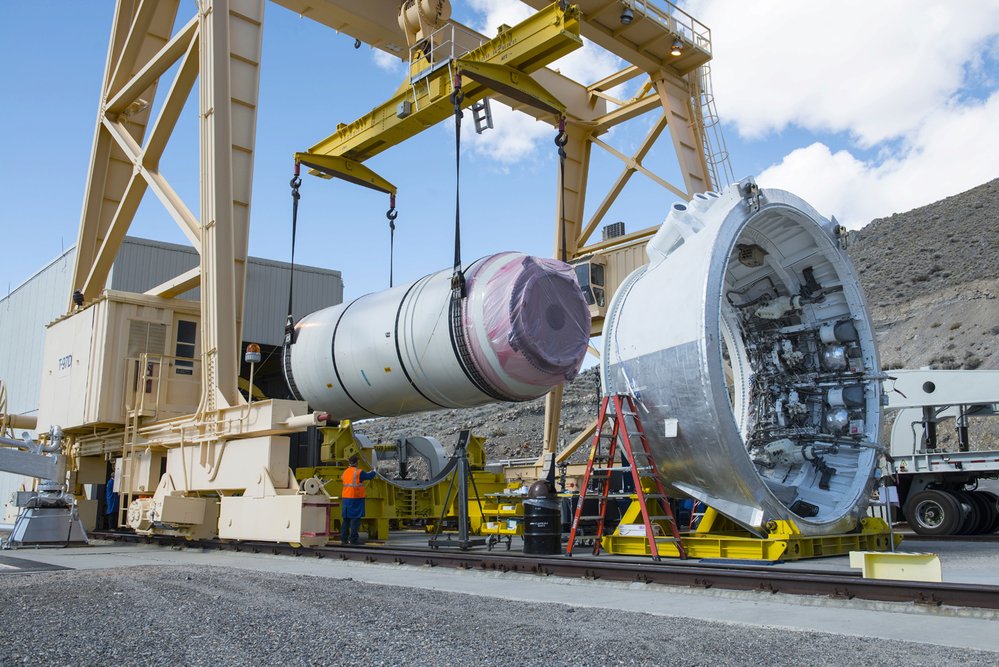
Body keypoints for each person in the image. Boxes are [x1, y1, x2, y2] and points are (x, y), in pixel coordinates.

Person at [340, 454, 376, 545]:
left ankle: (344, 540)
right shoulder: (359, 472)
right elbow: (370, 476)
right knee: (355, 520)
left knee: (346, 520)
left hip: (345, 499)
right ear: (357, 462)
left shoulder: (345, 472)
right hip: (355, 499)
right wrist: (375, 470)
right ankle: (354, 540)